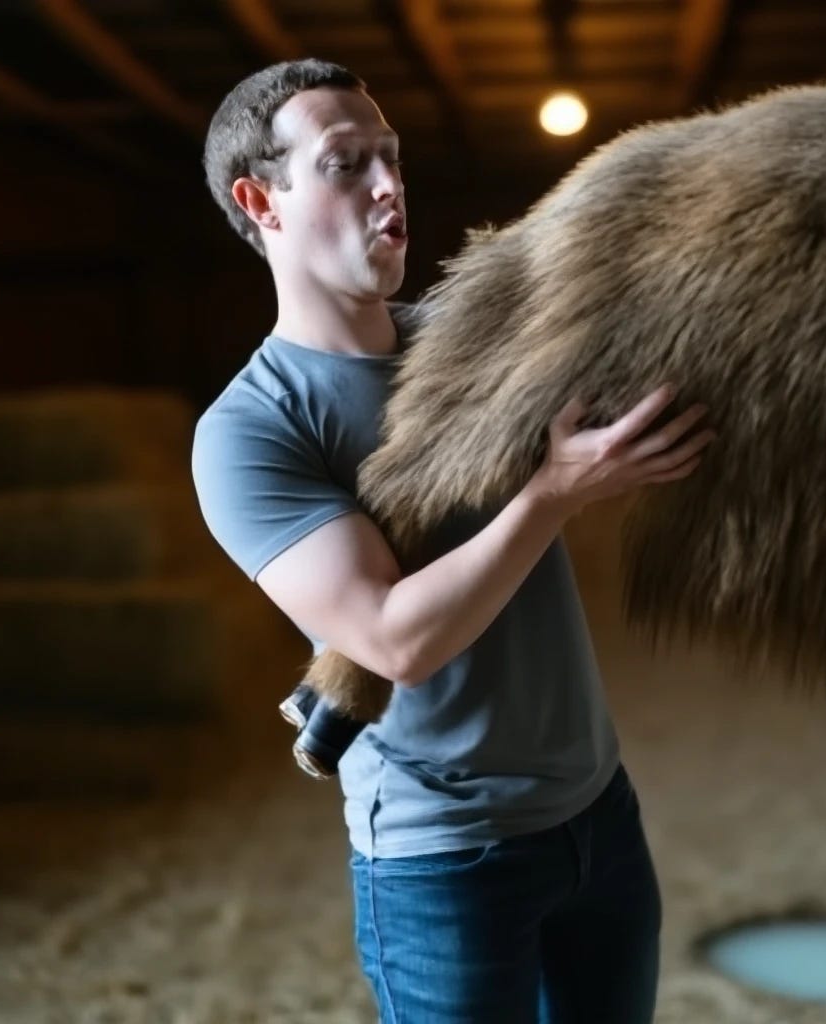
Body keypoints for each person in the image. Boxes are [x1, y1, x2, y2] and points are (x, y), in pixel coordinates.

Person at [192, 57, 716, 1024]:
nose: (388, 186)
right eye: (346, 163)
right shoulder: (250, 431)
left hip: (599, 809)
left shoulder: (466, 340)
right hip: (445, 865)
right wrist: (554, 493)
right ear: (260, 201)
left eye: (391, 159)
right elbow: (398, 640)